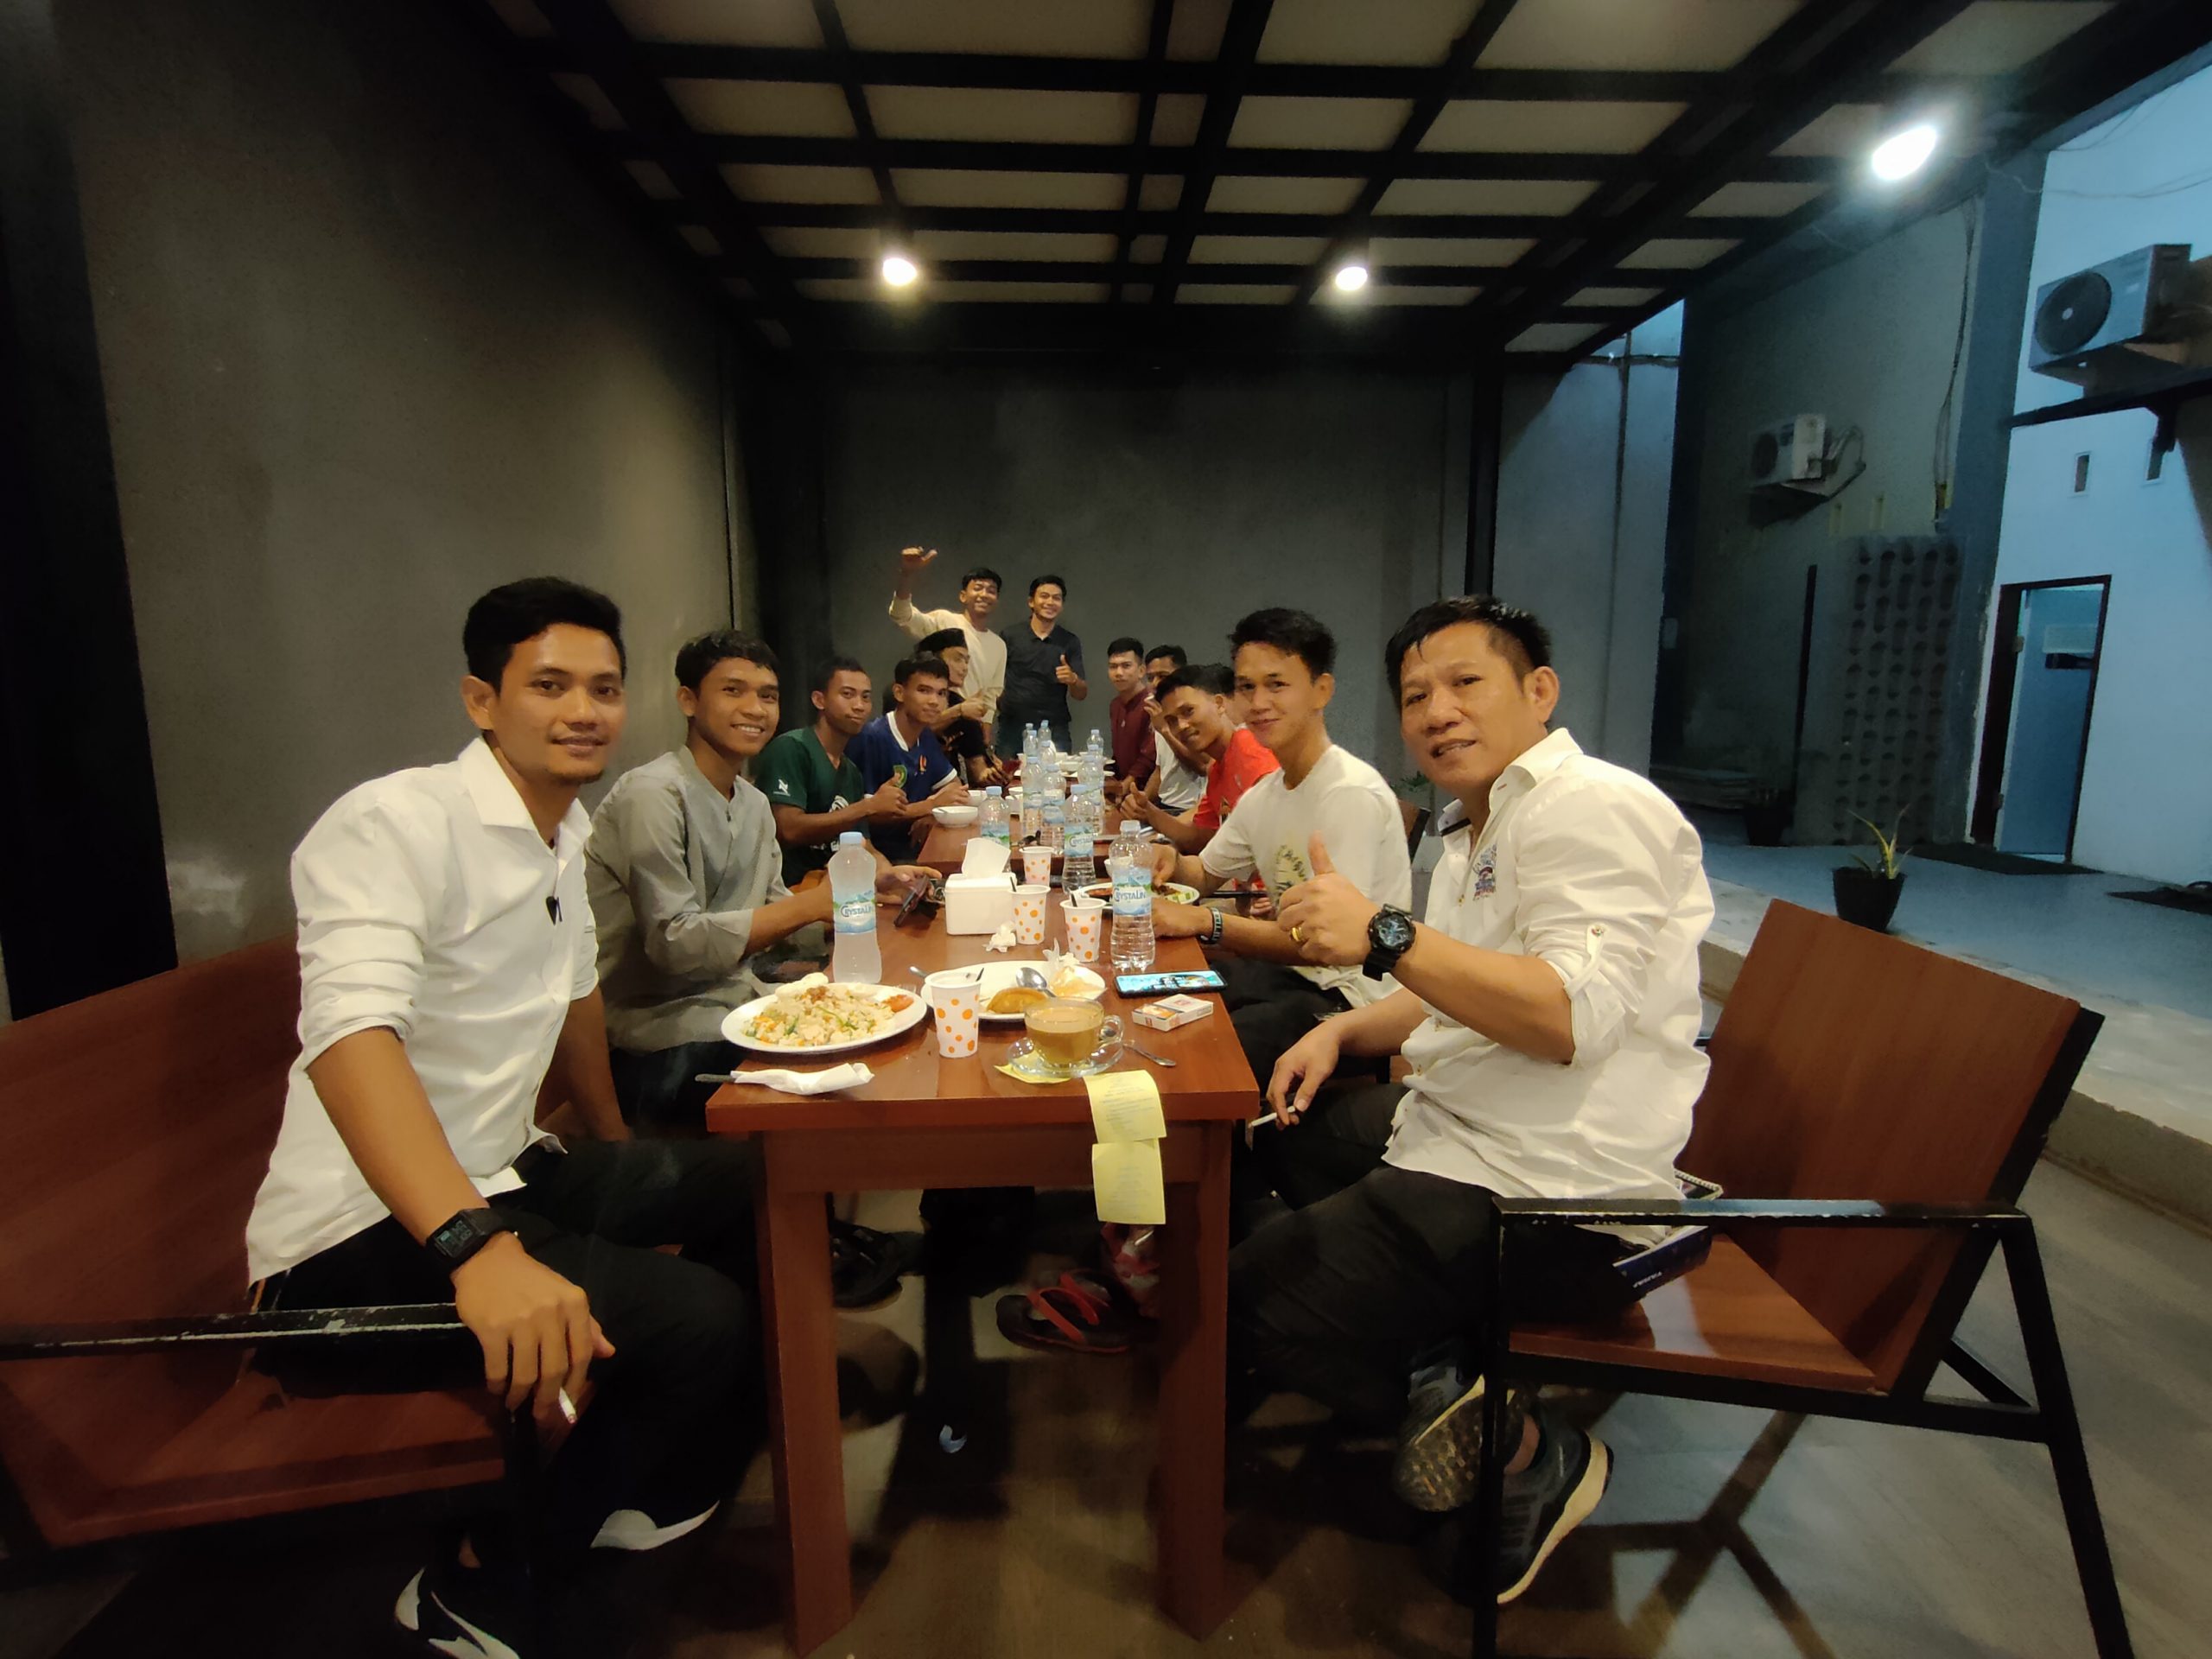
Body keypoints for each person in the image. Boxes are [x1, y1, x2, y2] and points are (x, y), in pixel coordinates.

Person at [245, 579, 757, 1656]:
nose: (584, 711)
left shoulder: (562, 831)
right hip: (354, 1240)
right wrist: (473, 1247)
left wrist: (615, 1149)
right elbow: (350, 1037)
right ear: (482, 700)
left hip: (508, 1169)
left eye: (603, 689)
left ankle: (653, 1459)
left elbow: (576, 998)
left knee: (753, 1175)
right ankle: (482, 1581)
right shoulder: (394, 822)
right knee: (698, 1315)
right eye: (549, 686)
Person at [1230, 595, 1713, 1605]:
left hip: (1554, 1192)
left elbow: (1570, 1015)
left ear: (1539, 691)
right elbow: (1448, 984)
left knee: (1245, 1308)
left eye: (1464, 683)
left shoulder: (1592, 805)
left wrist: (1384, 934)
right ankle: (1440, 1357)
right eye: (1415, 695)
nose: (1436, 711)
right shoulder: (1474, 826)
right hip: (1463, 1127)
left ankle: (1525, 1446)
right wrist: (1338, 1032)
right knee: (1277, 1135)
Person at [586, 631, 927, 1131]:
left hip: (742, 1004)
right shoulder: (652, 795)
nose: (755, 709)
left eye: (767, 696)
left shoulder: (752, 803)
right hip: (659, 1036)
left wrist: (863, 898)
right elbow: (674, 944)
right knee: (844, 1092)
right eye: (733, 691)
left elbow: (779, 921)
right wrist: (812, 904)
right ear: (688, 700)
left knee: (890, 1030)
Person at [1149, 609, 1413, 1094]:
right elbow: (1203, 873)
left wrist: (1208, 922)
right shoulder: (1267, 793)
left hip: (1350, 995)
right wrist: (1168, 860)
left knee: (1204, 1060)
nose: (1259, 703)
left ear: (1321, 690)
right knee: (1162, 1001)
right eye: (1247, 688)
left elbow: (1328, 946)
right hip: (1285, 972)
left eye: (1277, 685)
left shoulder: (1348, 793)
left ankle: (1224, 1140)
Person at [753, 655, 908, 887]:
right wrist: (868, 806)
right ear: (819, 700)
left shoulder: (851, 771)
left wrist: (893, 876)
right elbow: (788, 829)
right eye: (847, 694)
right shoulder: (792, 748)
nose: (859, 705)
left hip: (839, 889)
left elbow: (864, 844)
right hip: (792, 891)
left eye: (865, 697)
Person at [1122, 663, 1279, 856]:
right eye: (1171, 721)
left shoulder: (1250, 749)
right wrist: (1150, 812)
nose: (1182, 726)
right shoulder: (1217, 768)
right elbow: (1200, 839)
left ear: (1219, 704)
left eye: (1188, 711)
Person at [849, 654, 971, 858]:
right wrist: (931, 806)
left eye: (941, 693)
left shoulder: (925, 735)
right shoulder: (872, 737)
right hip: (876, 854)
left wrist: (932, 815)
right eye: (924, 691)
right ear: (899, 693)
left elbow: (954, 786)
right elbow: (870, 813)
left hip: (914, 846)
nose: (934, 701)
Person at [888, 547, 1004, 743]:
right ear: (963, 596)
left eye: (991, 591)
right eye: (978, 588)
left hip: (969, 730)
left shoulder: (999, 645)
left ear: (997, 600)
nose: (984, 594)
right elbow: (902, 616)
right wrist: (907, 575)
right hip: (934, 722)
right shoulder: (945, 620)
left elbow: (990, 697)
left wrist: (984, 740)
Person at [996, 574, 1085, 750]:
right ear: (1031, 601)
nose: (1050, 602)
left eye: (1056, 598)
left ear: (1062, 605)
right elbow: (994, 681)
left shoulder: (1069, 640)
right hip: (1012, 726)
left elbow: (1081, 694)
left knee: (1057, 768)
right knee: (1007, 768)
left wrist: (1073, 679)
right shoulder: (1010, 635)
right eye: (1044, 596)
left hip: (1054, 728)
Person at [917, 626, 1005, 786]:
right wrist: (958, 712)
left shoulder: (961, 704)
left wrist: (996, 775)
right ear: (935, 659)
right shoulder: (906, 697)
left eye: (967, 661)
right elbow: (912, 732)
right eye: (958, 659)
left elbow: (978, 771)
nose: (965, 668)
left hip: (950, 789)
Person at [1142, 643, 1209, 815]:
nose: (1155, 683)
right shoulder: (1158, 710)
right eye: (1150, 678)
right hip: (1165, 804)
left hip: (1189, 808)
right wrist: (1142, 801)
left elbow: (1202, 766)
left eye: (1162, 676)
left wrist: (1165, 730)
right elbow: (1162, 769)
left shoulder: (1190, 713)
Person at [1103, 637, 1157, 792]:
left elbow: (1149, 757)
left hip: (1148, 790)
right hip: (1123, 784)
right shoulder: (1115, 705)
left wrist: (1126, 785)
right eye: (1113, 667)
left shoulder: (1151, 704)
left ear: (1141, 671)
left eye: (1126, 666)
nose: (1119, 673)